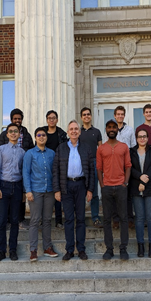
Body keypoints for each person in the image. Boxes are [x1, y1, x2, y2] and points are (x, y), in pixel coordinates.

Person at [53, 120, 95, 261]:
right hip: (67, 186)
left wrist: (90, 189)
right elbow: (56, 171)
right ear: (68, 131)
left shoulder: (86, 148)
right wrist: (57, 190)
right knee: (69, 219)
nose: (74, 131)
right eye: (71, 129)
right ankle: (69, 250)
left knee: (81, 219)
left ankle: (81, 249)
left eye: (76, 128)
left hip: (81, 185)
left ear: (80, 131)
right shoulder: (61, 148)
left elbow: (91, 170)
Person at [97, 119, 132, 261]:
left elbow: (128, 166)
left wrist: (125, 183)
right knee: (106, 219)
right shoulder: (101, 148)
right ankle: (109, 249)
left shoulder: (124, 147)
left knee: (123, 218)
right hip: (107, 187)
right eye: (109, 127)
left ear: (117, 130)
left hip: (121, 187)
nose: (111, 129)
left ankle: (123, 248)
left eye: (114, 127)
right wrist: (102, 185)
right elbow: (99, 168)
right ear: (106, 130)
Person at [23, 127, 58, 262]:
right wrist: (28, 191)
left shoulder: (52, 153)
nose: (42, 137)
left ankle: (47, 247)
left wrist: (56, 189)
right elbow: (26, 172)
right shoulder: (30, 154)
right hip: (35, 191)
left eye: (43, 135)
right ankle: (33, 250)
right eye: (39, 135)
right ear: (35, 137)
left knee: (47, 220)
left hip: (49, 191)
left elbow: (54, 172)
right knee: (35, 220)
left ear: (46, 137)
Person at [0, 108, 34, 230]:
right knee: (6, 201)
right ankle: (8, 221)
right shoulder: (4, 134)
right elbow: (0, 148)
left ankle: (21, 219)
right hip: (7, 171)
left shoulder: (27, 134)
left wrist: (24, 154)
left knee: (21, 199)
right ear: (11, 119)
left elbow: (31, 148)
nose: (17, 120)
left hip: (21, 168)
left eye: (19, 119)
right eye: (15, 119)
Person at [0, 123, 25, 262]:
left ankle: (12, 250)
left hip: (17, 187)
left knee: (14, 220)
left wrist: (24, 191)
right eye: (10, 131)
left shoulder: (22, 152)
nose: (13, 133)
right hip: (4, 186)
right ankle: (1, 250)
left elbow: (24, 172)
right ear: (7, 134)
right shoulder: (1, 149)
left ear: (19, 134)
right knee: (1, 221)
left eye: (15, 131)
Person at [104, 106, 135, 229]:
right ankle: (115, 219)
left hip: (126, 166)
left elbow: (133, 148)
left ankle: (129, 218)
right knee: (114, 194)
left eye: (122, 114)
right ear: (115, 115)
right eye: (118, 114)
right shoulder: (111, 130)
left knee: (127, 193)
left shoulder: (130, 130)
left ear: (124, 115)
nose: (120, 116)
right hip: (113, 166)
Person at [129, 129, 151, 258]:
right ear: (136, 138)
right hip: (136, 188)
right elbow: (130, 167)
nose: (142, 139)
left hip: (150, 188)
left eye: (144, 136)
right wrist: (141, 177)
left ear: (147, 138)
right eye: (140, 137)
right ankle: (140, 246)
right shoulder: (132, 152)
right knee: (140, 218)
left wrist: (144, 183)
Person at [41, 110, 68, 229]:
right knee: (43, 193)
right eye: (49, 118)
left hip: (57, 166)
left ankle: (58, 220)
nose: (51, 120)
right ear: (47, 120)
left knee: (58, 193)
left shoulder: (61, 133)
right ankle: (43, 220)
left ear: (57, 120)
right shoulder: (41, 132)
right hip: (43, 166)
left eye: (53, 118)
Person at [79, 107, 103, 228]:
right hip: (81, 163)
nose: (86, 116)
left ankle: (95, 217)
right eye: (84, 115)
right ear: (81, 117)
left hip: (94, 162)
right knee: (81, 191)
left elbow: (101, 149)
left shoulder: (97, 132)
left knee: (93, 191)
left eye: (88, 114)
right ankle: (80, 217)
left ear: (91, 116)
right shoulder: (78, 132)